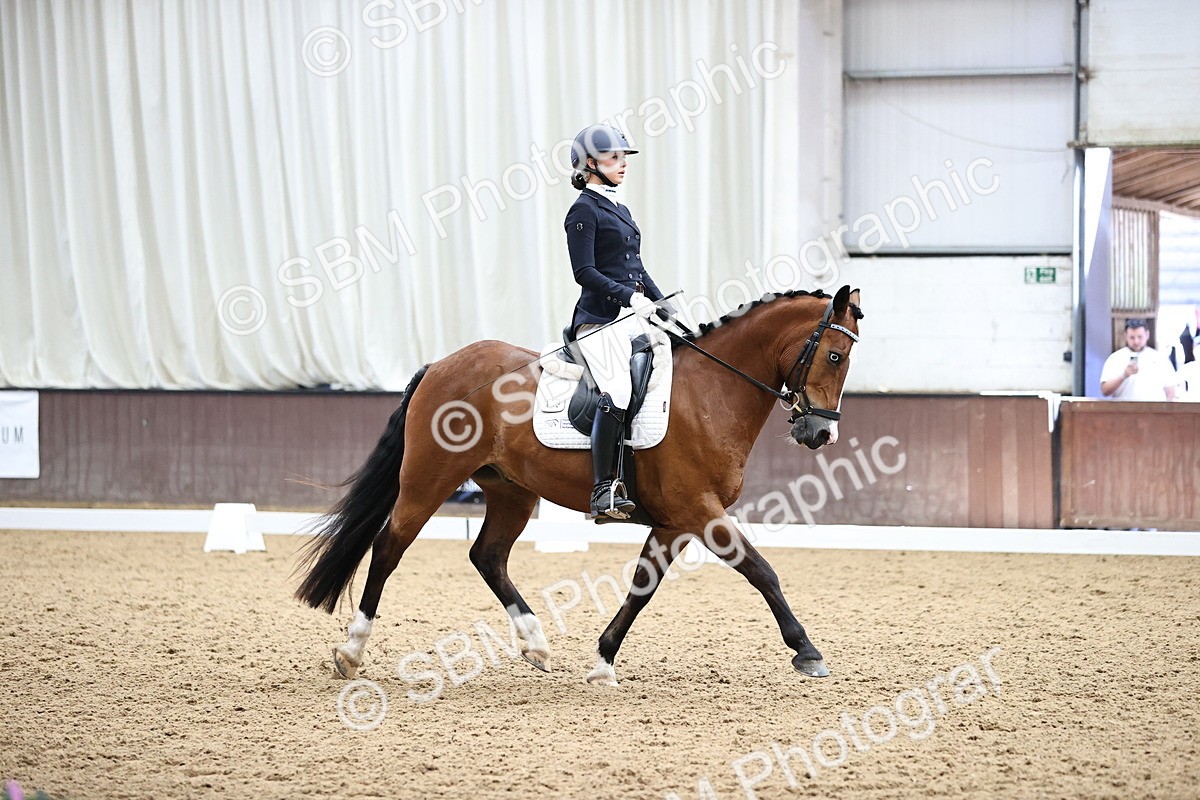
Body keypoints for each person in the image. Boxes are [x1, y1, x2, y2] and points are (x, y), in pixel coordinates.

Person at [564, 124, 666, 520]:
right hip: (598, 322)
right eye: (613, 157)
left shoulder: (620, 209)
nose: (623, 164)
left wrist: (662, 305)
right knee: (619, 392)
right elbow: (584, 272)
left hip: (628, 318)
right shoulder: (583, 210)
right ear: (591, 164)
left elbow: (636, 268)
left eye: (624, 157)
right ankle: (603, 489)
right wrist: (629, 298)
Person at [1099, 319, 1177, 401]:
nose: (1136, 341)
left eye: (1140, 337)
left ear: (1147, 335)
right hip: (1124, 411)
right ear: (1126, 336)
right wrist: (1124, 375)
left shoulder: (1160, 358)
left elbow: (1170, 392)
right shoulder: (1115, 358)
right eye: (1132, 337)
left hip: (1154, 411)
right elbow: (1105, 391)